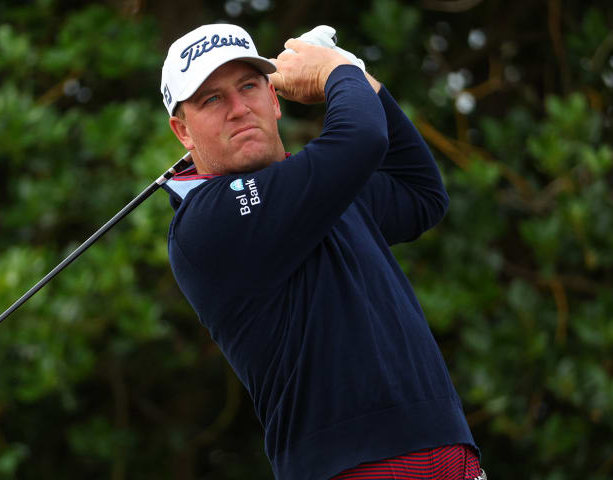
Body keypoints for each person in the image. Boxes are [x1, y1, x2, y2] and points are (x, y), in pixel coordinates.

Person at [158, 24, 485, 480]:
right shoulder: (207, 220)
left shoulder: (319, 184)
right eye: (211, 99)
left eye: (249, 86)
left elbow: (421, 194)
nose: (237, 109)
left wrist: (362, 82)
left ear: (274, 99)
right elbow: (361, 140)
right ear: (183, 132)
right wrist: (338, 71)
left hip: (447, 451)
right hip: (351, 466)